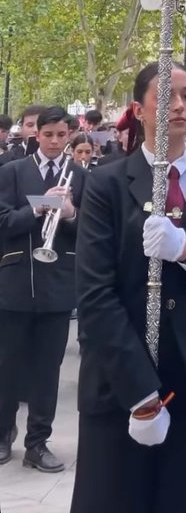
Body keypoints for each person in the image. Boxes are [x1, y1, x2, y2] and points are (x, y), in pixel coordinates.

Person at [70, 60, 186, 513]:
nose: (180, 106)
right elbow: (95, 295)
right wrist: (140, 392)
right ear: (139, 109)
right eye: (167, 96)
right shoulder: (106, 184)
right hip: (122, 382)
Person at [0, 105, 86, 471]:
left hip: (58, 282)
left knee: (48, 370)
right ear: (36, 135)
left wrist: (69, 214)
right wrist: (38, 209)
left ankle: (38, 442)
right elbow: (3, 220)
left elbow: (92, 231)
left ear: (69, 136)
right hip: (15, 279)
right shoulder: (13, 172)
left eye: (60, 135)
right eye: (47, 134)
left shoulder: (80, 176)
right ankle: (3, 435)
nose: (53, 141)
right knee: (6, 365)